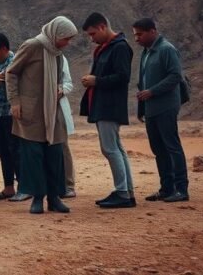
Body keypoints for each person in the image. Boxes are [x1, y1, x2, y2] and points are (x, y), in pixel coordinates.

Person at [7, 16, 77, 214]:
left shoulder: (57, 53)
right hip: (31, 111)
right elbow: (11, 73)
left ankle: (54, 198)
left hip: (52, 111)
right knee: (34, 156)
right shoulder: (32, 46)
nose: (68, 43)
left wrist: (59, 89)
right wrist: (15, 101)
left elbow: (59, 79)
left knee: (54, 155)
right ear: (56, 34)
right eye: (66, 39)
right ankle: (37, 198)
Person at [79, 12, 136, 209]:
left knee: (110, 149)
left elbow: (122, 76)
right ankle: (126, 190)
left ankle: (123, 193)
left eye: (93, 33)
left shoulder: (119, 47)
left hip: (109, 106)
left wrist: (97, 81)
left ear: (103, 27)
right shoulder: (106, 48)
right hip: (103, 104)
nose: (92, 38)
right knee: (116, 148)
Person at [132, 17, 189, 203]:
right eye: (135, 35)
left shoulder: (167, 49)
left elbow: (175, 76)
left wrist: (152, 92)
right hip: (151, 109)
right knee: (158, 149)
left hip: (166, 106)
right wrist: (142, 107)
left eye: (139, 34)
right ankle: (166, 189)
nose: (136, 39)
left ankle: (181, 190)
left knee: (172, 147)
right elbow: (143, 83)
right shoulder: (146, 52)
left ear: (152, 31)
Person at [0, 33, 26, 201]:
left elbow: (4, 81)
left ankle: (24, 187)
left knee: (15, 150)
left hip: (10, 114)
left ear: (3, 49)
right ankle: (9, 187)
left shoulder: (13, 62)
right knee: (4, 151)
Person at [58, 55, 77, 198]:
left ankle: (69, 185)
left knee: (63, 146)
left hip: (57, 106)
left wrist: (60, 90)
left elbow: (68, 83)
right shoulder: (35, 54)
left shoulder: (60, 57)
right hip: (38, 108)